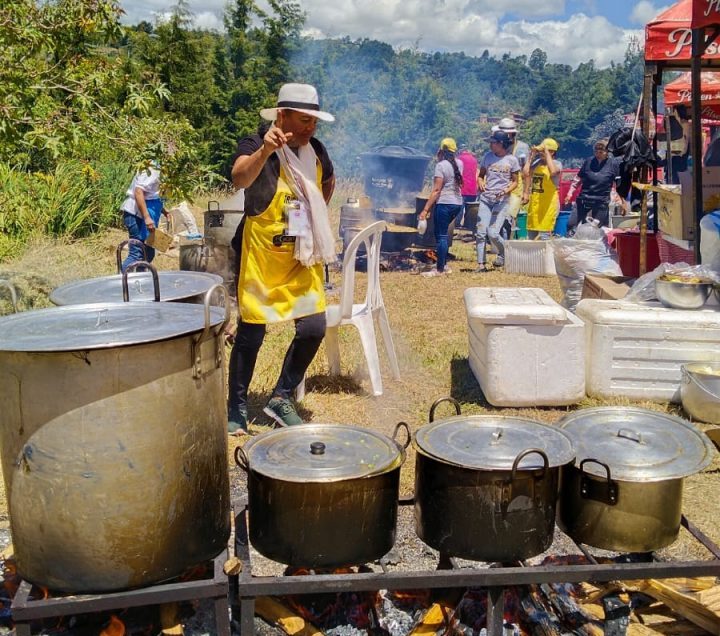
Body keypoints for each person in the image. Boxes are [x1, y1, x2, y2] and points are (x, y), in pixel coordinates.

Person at [226, 83, 336, 434]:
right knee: (251, 334)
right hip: (262, 255)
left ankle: (281, 397)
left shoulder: (315, 150)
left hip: (301, 255)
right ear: (281, 115)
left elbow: (328, 181)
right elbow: (239, 177)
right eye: (304, 121)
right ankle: (236, 409)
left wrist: (315, 215)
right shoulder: (256, 143)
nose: (310, 128)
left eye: (314, 122)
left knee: (314, 327)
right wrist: (264, 153)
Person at [474, 130, 520, 272]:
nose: (491, 145)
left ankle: (505, 252)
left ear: (501, 144)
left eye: (493, 143)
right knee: (481, 232)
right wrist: (480, 182)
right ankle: (481, 264)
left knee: (493, 233)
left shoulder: (512, 160)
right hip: (486, 200)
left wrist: (505, 191)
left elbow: (515, 181)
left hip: (501, 201)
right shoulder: (487, 157)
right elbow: (481, 175)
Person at [418, 138, 464, 278]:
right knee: (441, 235)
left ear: (441, 150)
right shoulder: (460, 163)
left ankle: (439, 270)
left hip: (444, 203)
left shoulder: (441, 166)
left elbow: (437, 190)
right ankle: (443, 265)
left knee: (441, 236)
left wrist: (425, 209)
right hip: (457, 203)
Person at [565, 139, 623, 228]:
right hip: (584, 198)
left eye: (601, 152)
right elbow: (578, 179)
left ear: (607, 152)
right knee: (571, 224)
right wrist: (570, 193)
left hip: (601, 200)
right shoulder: (588, 161)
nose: (598, 154)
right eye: (596, 152)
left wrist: (619, 199)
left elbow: (617, 184)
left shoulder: (613, 164)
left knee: (597, 227)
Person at [119, 163, 167, 272]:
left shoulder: (160, 166)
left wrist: (164, 210)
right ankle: (121, 283)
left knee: (148, 253)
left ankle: (139, 280)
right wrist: (147, 217)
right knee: (137, 254)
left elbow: (151, 194)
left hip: (144, 215)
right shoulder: (153, 167)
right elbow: (138, 192)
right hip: (137, 216)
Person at [493, 117, 530, 239]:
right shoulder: (497, 146)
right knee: (498, 219)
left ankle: (506, 248)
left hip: (515, 189)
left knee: (508, 219)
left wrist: (526, 192)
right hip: (499, 188)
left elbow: (526, 172)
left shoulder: (522, 148)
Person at [523, 138, 562, 239]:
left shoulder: (557, 164)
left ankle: (546, 255)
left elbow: (553, 171)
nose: (541, 153)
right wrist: (531, 157)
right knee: (531, 234)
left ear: (552, 152)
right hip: (536, 204)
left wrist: (546, 153)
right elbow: (526, 173)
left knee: (544, 237)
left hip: (549, 206)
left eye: (544, 151)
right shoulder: (537, 163)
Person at [667, 105, 690, 184]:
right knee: (678, 173)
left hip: (680, 151)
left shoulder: (683, 123)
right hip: (679, 151)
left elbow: (686, 138)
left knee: (676, 173)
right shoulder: (684, 122)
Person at [457, 144, 478, 227]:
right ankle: (468, 225)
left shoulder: (459, 159)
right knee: (470, 208)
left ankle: (457, 224)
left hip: (462, 187)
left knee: (460, 207)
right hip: (472, 188)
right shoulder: (474, 160)